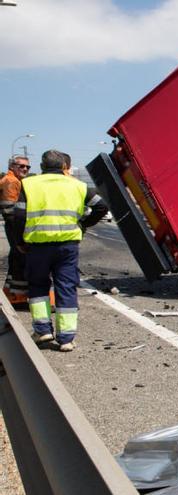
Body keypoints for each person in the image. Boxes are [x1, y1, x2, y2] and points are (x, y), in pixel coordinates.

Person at [11, 150, 108, 351]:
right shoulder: (77, 185)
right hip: (67, 246)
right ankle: (66, 339)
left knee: (38, 286)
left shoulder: (29, 184)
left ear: (42, 166)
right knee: (66, 287)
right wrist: (83, 225)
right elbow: (101, 206)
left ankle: (43, 330)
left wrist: (19, 241)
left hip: (37, 246)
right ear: (64, 166)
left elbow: (18, 216)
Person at [1, 155, 30, 303]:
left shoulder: (14, 180)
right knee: (20, 258)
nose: (25, 169)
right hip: (13, 224)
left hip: (12, 224)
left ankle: (9, 292)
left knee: (15, 258)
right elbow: (10, 209)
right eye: (21, 166)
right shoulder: (11, 181)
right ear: (12, 166)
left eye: (27, 167)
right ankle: (18, 297)